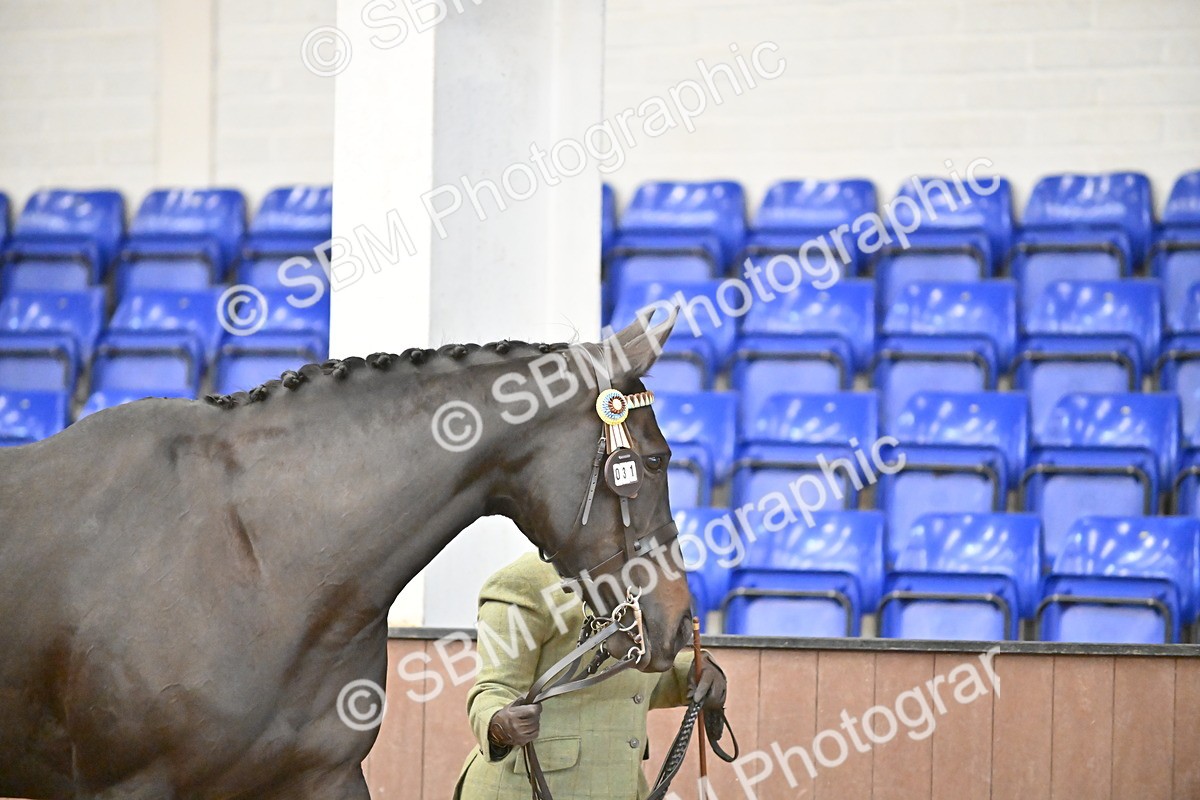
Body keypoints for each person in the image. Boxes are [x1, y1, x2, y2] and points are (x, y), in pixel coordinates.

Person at [454, 552, 726, 800]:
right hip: (526, 790)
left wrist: (693, 673)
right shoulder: (525, 582)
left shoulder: (645, 578)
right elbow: (494, 688)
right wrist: (499, 725)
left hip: (622, 788)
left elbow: (632, 684)